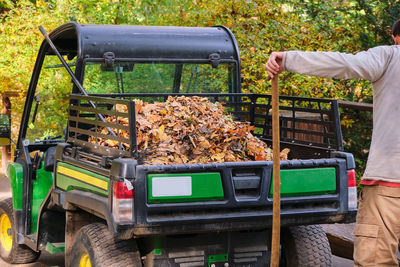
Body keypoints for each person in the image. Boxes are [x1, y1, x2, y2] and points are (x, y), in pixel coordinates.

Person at [265, 19, 400, 267]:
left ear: (396, 38)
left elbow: (344, 63)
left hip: (389, 182)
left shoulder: (390, 56)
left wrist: (289, 59)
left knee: (375, 260)